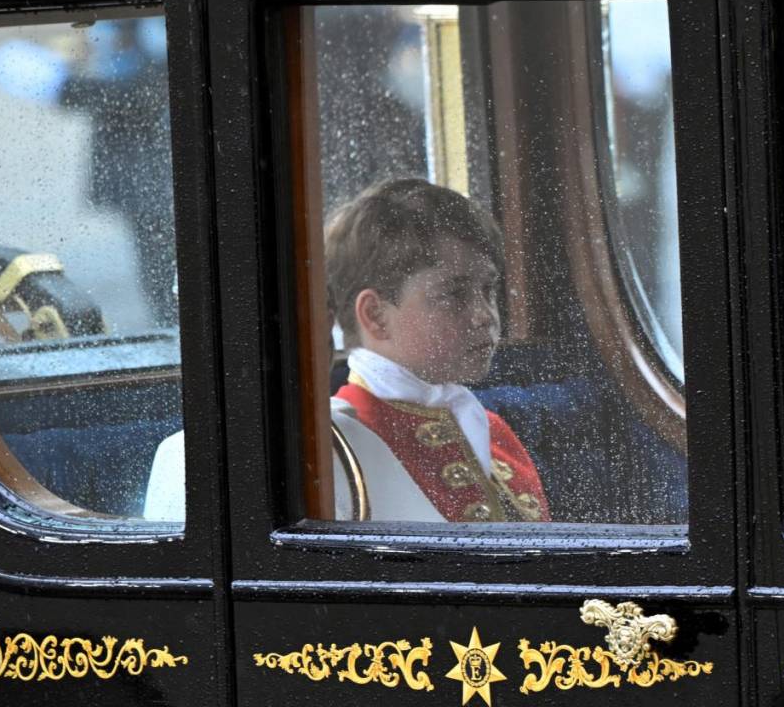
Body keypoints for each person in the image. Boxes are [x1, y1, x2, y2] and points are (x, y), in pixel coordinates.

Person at [143, 177, 546, 523]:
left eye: (487, 290)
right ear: (375, 315)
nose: (483, 315)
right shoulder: (331, 444)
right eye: (452, 295)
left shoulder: (491, 428)